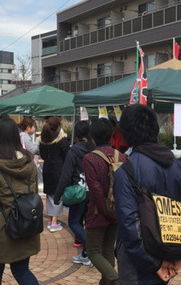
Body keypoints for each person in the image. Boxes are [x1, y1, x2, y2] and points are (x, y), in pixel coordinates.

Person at [113, 104, 181, 285]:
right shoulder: (178, 167)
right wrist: (179, 255)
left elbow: (130, 227)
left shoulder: (126, 172)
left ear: (126, 133)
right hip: (169, 253)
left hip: (137, 265)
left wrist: (156, 265)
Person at [83, 118, 126, 285]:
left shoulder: (89, 158)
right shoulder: (120, 155)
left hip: (97, 212)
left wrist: (105, 210)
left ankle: (116, 280)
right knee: (108, 250)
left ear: (92, 137)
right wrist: (114, 212)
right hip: (117, 210)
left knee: (93, 252)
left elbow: (95, 189)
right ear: (111, 135)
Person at [0, 117, 40, 284]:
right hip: (26, 224)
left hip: (3, 229)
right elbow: (34, 193)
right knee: (22, 271)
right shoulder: (29, 162)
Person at [54, 121, 94, 265]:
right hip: (93, 192)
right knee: (88, 223)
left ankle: (90, 248)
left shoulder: (75, 150)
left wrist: (57, 196)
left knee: (74, 222)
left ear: (76, 134)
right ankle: (86, 254)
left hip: (78, 193)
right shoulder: (94, 148)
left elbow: (65, 175)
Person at [40, 116, 69, 232]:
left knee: (50, 195)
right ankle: (53, 223)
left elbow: (43, 156)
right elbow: (67, 156)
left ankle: (51, 219)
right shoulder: (62, 139)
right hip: (59, 170)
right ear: (58, 127)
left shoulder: (43, 139)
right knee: (58, 195)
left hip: (47, 169)